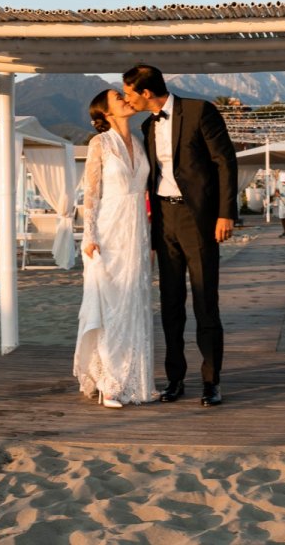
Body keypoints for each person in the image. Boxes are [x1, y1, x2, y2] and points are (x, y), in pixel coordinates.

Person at [122, 64, 238, 408]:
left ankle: (211, 381)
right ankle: (175, 379)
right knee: (170, 305)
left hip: (199, 218)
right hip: (163, 219)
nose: (127, 99)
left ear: (146, 92)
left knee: (205, 302)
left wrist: (225, 212)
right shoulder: (146, 125)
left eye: (129, 92)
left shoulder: (200, 110)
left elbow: (224, 161)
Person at [73, 89, 157, 409]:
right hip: (108, 230)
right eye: (117, 97)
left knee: (135, 301)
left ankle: (138, 381)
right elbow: (91, 194)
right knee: (111, 304)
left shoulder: (138, 142)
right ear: (106, 112)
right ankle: (109, 382)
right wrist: (89, 235)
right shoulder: (100, 144)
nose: (125, 99)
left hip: (137, 230)